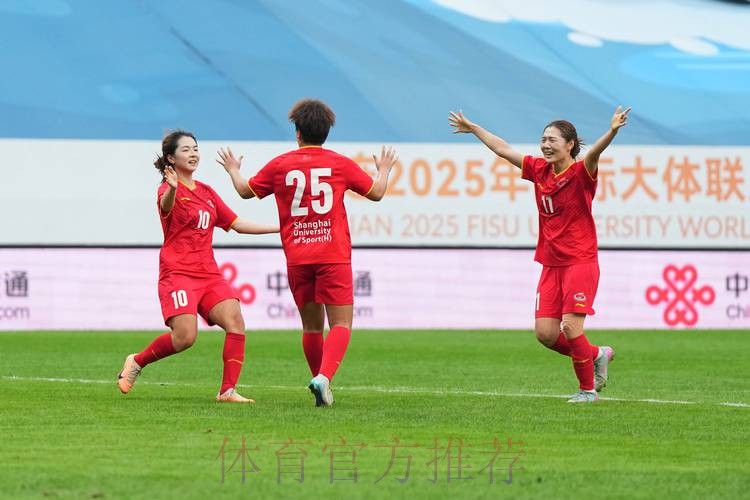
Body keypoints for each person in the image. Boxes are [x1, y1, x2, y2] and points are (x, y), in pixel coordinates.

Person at [217, 98, 397, 407]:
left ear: (297, 132)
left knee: (312, 326)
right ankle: (323, 379)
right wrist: (383, 170)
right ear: (326, 132)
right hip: (333, 254)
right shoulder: (339, 163)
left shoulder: (280, 165)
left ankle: (320, 381)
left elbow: (245, 191)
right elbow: (377, 193)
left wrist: (233, 170)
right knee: (340, 324)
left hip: (298, 257)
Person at [449, 106, 631, 403]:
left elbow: (595, 153)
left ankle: (587, 390)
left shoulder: (581, 172)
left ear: (570, 144)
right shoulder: (539, 170)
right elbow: (503, 149)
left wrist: (611, 131)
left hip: (580, 261)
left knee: (571, 327)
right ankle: (597, 354)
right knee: (546, 334)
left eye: (552, 140)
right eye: (543, 139)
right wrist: (474, 128)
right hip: (551, 263)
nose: (545, 145)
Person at [117, 130, 279, 403]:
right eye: (186, 149)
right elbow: (166, 205)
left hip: (208, 274)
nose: (193, 153)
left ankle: (227, 391)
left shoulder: (206, 192)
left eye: (195, 148)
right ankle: (137, 361)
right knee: (185, 337)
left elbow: (237, 224)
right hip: (177, 273)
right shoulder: (167, 190)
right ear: (171, 158)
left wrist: (280, 228)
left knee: (235, 321)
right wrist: (172, 188)